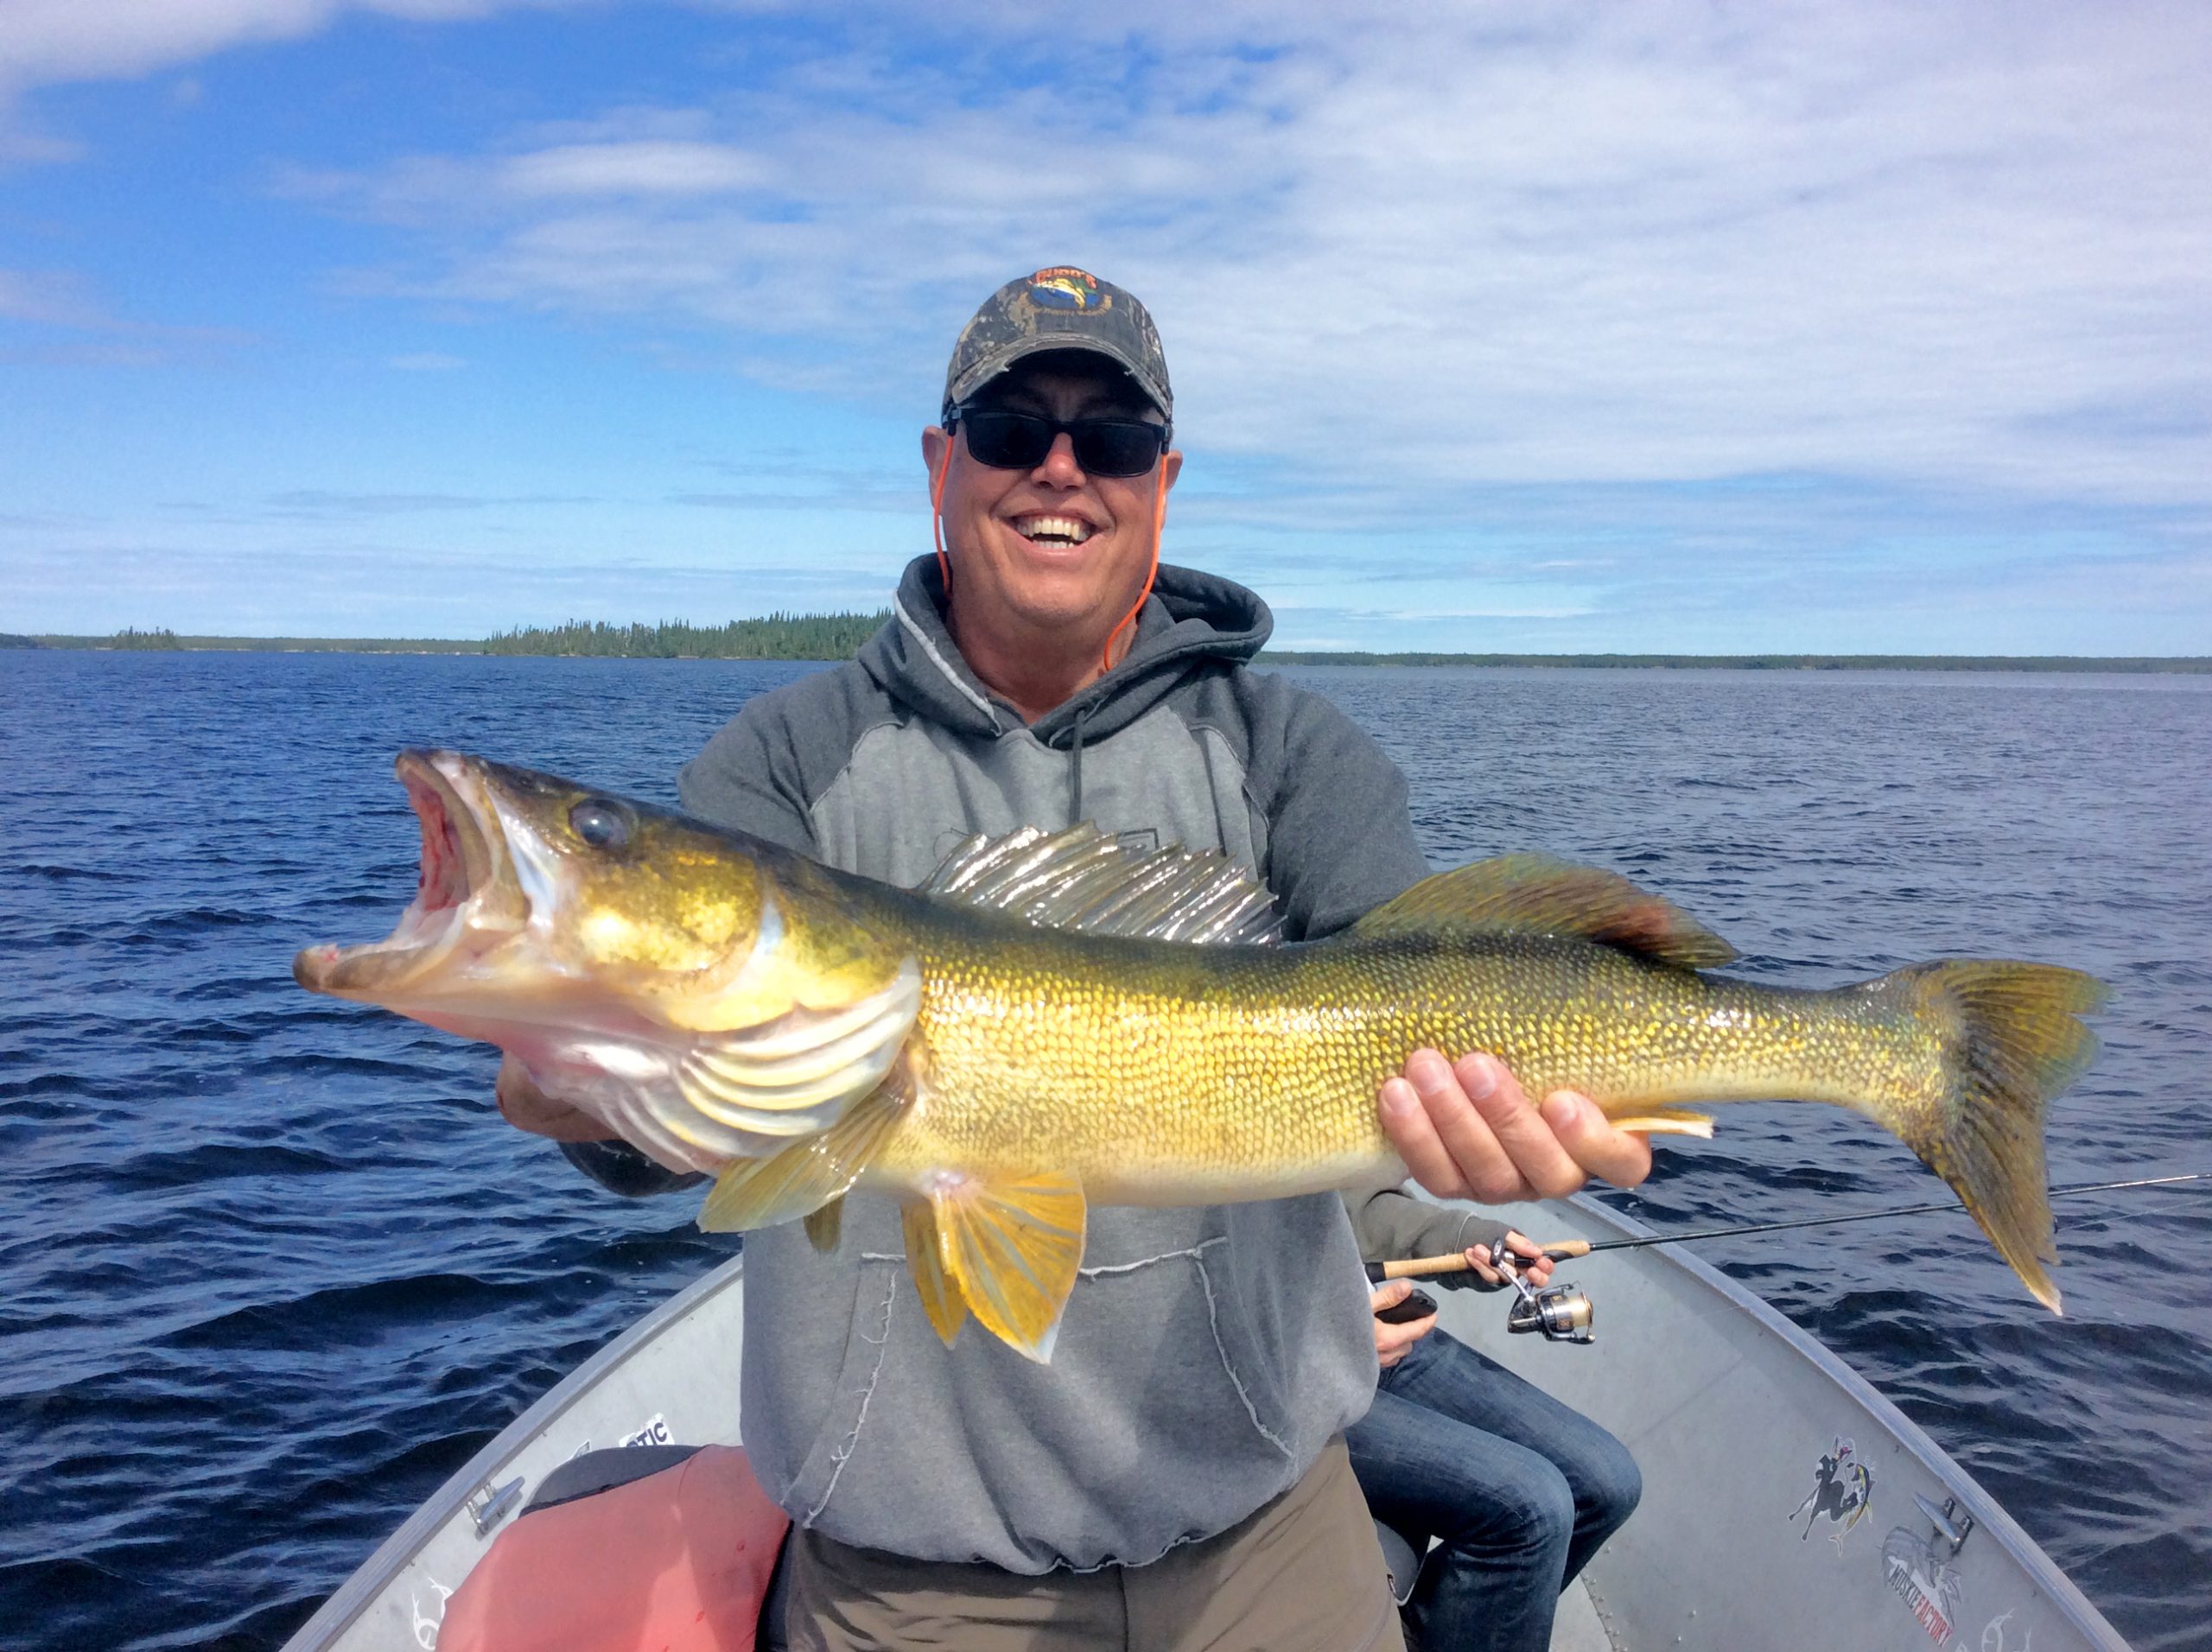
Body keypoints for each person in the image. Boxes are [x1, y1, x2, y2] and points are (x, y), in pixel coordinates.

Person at [494, 266, 1652, 1652]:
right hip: (911, 1580)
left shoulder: (1291, 757)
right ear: (940, 464)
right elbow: (668, 1124)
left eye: (1106, 440)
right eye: (1007, 428)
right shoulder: (788, 764)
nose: (1059, 470)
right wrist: (596, 1092)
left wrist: (1488, 1140)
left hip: (1269, 1544)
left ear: (1161, 484)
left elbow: (1416, 1045)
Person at [1348, 1189, 1641, 1652]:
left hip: (1380, 1334)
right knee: (1534, 1506)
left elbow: (1354, 1206)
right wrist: (1330, 1335)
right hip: (1289, 1380)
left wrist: (1475, 1240)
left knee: (1607, 1481)